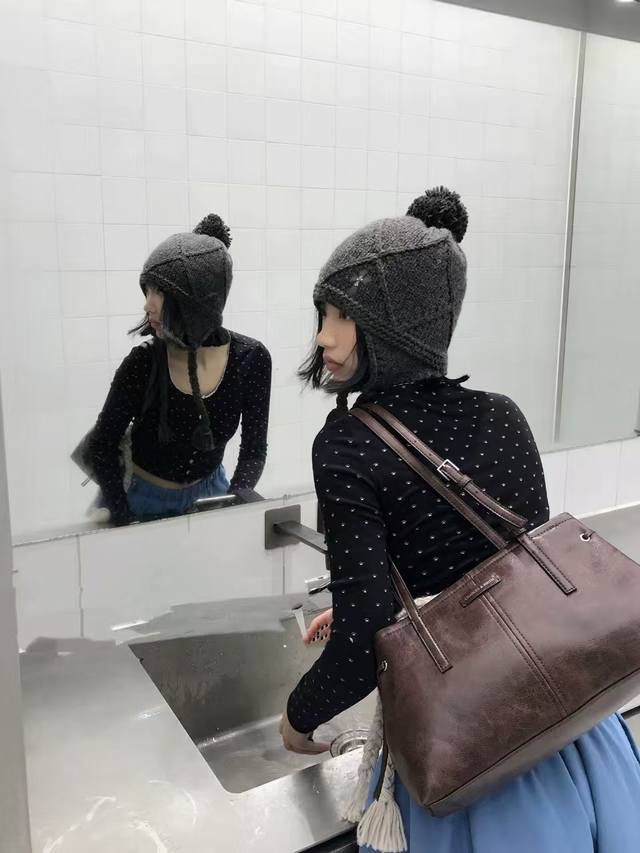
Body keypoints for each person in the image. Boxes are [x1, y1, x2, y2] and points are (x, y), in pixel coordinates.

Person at [279, 188, 640, 852]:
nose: (323, 335)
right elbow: (515, 582)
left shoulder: (346, 444)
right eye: (321, 314)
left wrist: (297, 719)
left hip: (471, 759)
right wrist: (370, 602)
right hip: (574, 739)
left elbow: (361, 647)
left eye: (341, 315)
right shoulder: (502, 414)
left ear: (392, 325)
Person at [87, 214, 271, 525]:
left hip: (212, 492)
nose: (147, 305)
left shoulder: (251, 359)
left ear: (195, 300)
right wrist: (123, 515)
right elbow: (102, 446)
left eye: (158, 292)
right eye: (146, 291)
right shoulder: (143, 363)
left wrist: (236, 502)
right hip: (140, 496)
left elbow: (253, 449)